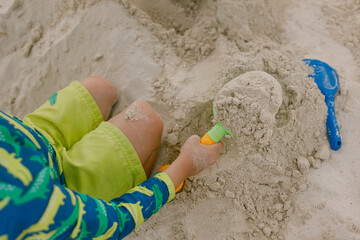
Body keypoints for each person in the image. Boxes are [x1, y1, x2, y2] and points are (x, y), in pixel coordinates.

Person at [0, 76, 224, 239]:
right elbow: (114, 221)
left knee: (102, 88)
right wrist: (182, 168)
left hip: (30, 141)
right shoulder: (24, 208)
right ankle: (128, 180)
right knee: (145, 119)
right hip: (62, 191)